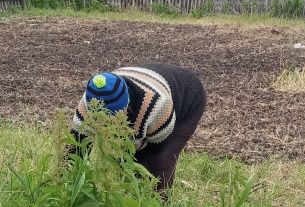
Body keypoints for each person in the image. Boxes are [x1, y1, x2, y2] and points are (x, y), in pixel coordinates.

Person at [72, 63, 206, 192]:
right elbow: (74, 150)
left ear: (127, 104)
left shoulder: (157, 106)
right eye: (100, 119)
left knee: (159, 163)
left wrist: (133, 169)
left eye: (113, 117)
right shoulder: (87, 106)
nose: (108, 123)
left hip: (188, 97)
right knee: (124, 162)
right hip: (148, 78)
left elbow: (155, 150)